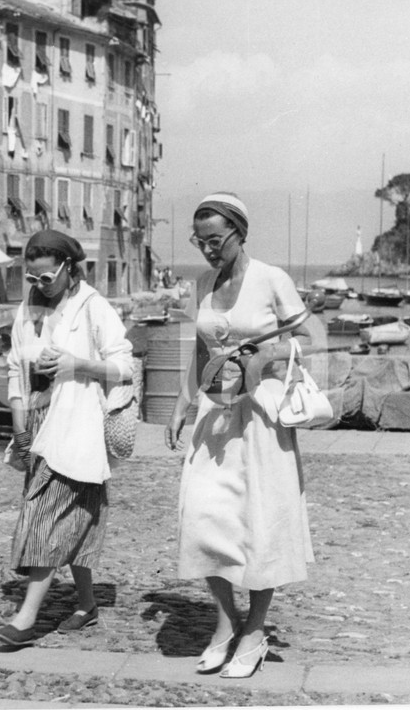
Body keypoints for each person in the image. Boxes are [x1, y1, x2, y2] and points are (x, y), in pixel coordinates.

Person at [165, 193, 317, 678]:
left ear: (239, 232)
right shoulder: (205, 283)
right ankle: (225, 621)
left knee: (260, 525)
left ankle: (254, 629)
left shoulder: (271, 279)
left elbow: (309, 339)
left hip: (261, 419)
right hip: (215, 416)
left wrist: (264, 356)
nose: (208, 250)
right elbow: (199, 348)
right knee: (204, 517)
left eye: (216, 240)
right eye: (200, 241)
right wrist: (181, 404)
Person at [0, 229, 134, 646]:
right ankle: (86, 603)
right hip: (37, 428)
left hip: (76, 427)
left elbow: (124, 367)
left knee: (44, 516)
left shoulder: (94, 308)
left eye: (47, 278)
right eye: (31, 278)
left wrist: (77, 364)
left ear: (69, 269)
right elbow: (17, 371)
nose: (39, 286)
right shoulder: (28, 310)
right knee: (79, 519)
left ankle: (26, 617)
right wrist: (18, 428)